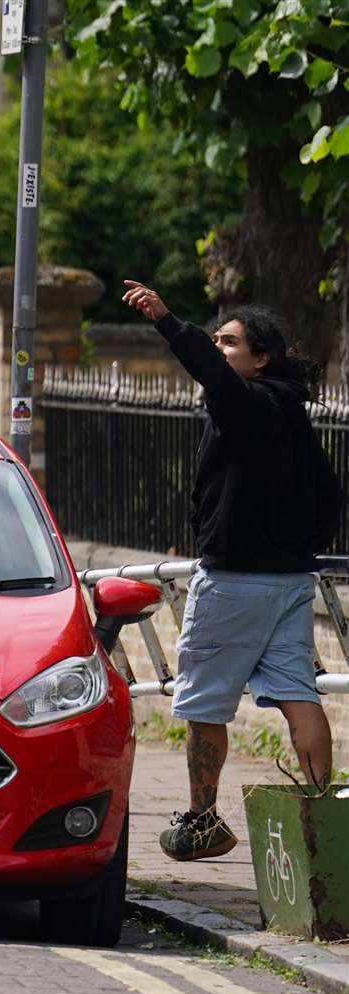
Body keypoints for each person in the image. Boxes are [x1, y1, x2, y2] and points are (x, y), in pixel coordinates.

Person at [123, 279, 341, 861]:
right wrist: (300, 547)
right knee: (299, 695)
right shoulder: (291, 412)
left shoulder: (250, 406)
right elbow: (330, 495)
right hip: (292, 583)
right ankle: (324, 817)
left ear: (259, 358)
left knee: (201, 705)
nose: (219, 353)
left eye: (229, 343)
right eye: (217, 341)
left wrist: (168, 321)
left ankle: (201, 820)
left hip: (235, 582)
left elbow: (215, 379)